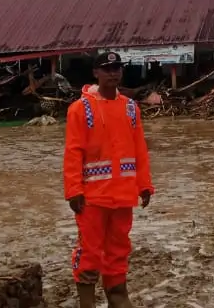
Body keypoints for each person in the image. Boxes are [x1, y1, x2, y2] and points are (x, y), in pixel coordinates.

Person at [64, 51, 154, 308]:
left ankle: (118, 296)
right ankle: (87, 303)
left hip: (123, 195)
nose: (113, 73)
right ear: (96, 73)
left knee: (118, 249)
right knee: (90, 251)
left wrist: (144, 185)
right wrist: (73, 190)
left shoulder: (130, 107)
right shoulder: (80, 109)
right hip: (92, 196)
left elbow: (139, 150)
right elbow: (73, 152)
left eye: (117, 68)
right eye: (107, 68)